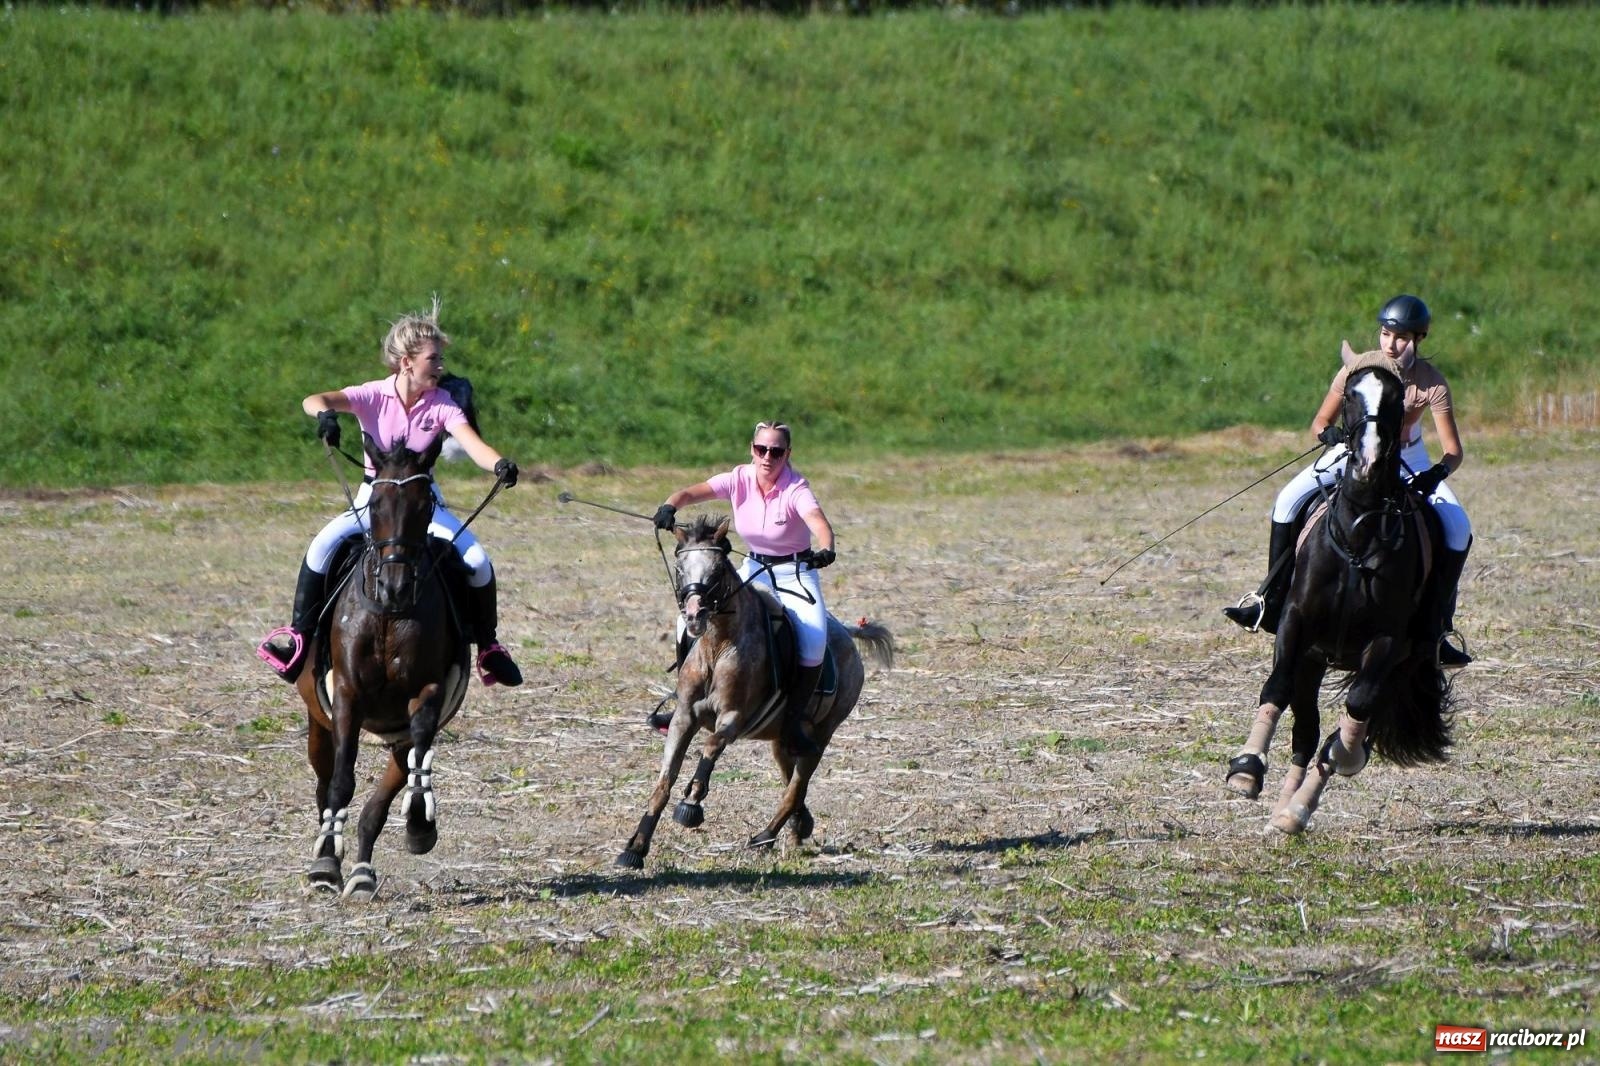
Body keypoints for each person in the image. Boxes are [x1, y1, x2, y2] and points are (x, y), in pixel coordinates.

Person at [256, 298, 525, 687]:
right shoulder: (371, 395)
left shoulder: (442, 404)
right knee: (321, 547)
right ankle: (299, 637)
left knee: (477, 560)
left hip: (422, 504)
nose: (441, 366)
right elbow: (313, 400)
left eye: (440, 358)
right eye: (434, 359)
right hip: (374, 499)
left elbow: (472, 443)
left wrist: (499, 463)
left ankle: (488, 647)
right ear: (407, 362)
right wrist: (326, 415)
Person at [1223, 294, 1473, 667]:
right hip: (1353, 451)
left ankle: (1437, 627)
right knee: (1287, 500)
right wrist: (1328, 435)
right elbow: (1320, 421)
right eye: (1386, 334)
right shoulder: (1357, 368)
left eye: (1402, 338)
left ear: (1419, 339)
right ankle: (1269, 600)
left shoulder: (1430, 383)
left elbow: (1453, 450)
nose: (1391, 344)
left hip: (1408, 459)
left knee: (1458, 527)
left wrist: (1436, 473)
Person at [653, 421, 838, 756]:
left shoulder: (796, 489)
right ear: (752, 450)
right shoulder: (739, 478)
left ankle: (792, 723)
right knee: (686, 621)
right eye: (761, 449)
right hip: (752, 569)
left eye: (776, 451)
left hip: (794, 572)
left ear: (787, 454)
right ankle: (683, 702)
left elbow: (819, 523)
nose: (767, 457)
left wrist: (825, 549)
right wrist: (669, 506)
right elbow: (690, 493)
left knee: (813, 640)